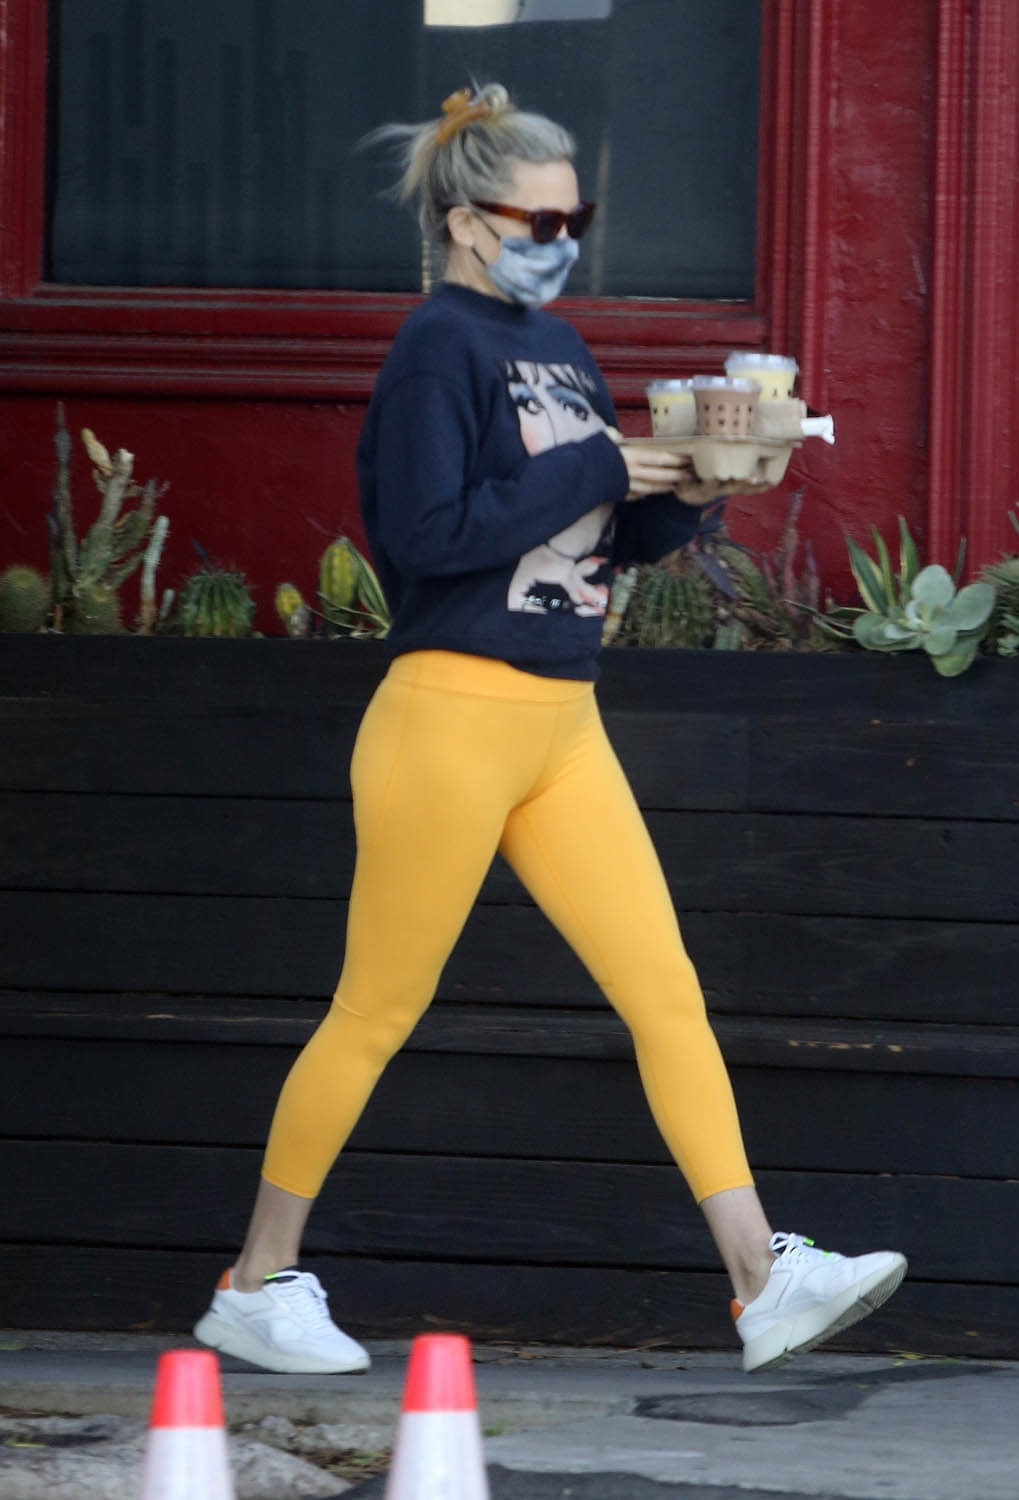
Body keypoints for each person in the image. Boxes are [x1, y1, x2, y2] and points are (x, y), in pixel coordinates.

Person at [194, 83, 906, 1377]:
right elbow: (428, 537)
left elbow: (592, 533)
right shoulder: (436, 349)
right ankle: (254, 1282)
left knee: (665, 992)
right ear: (468, 221)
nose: (563, 240)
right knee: (375, 1008)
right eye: (541, 220)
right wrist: (597, 465)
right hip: (451, 711)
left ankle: (762, 1276)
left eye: (578, 218)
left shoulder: (561, 348)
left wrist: (694, 487)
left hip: (561, 719)